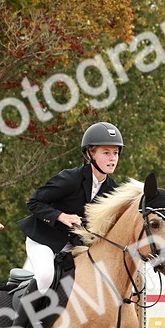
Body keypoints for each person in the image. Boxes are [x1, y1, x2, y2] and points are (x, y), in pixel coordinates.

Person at [16, 122, 123, 292]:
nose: (112, 158)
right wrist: (61, 216)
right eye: (106, 153)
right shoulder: (71, 178)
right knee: (45, 276)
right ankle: (24, 319)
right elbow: (34, 202)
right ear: (90, 155)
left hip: (75, 246)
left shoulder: (113, 191)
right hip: (45, 240)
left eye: (115, 153)